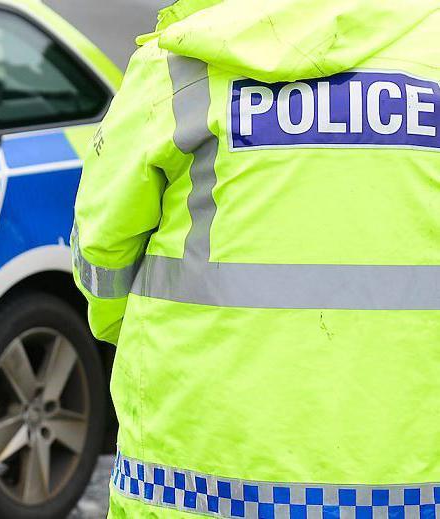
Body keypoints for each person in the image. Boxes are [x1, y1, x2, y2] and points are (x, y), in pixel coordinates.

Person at [71, 0, 440, 517]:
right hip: (408, 480)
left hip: (197, 477)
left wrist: (129, 337)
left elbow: (102, 253)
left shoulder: (178, 64)